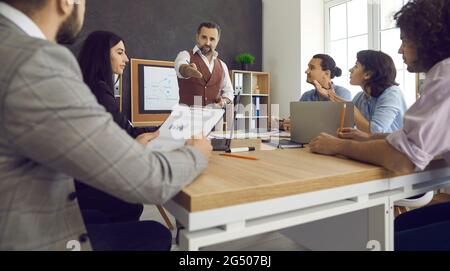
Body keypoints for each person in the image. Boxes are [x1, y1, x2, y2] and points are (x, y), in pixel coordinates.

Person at [0, 0, 212, 251]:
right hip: (35, 235)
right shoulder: (36, 60)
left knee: (121, 208)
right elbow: (148, 180)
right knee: (156, 233)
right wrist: (196, 154)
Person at [309, 0, 450, 251]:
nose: (399, 50)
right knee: (394, 228)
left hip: (408, 180)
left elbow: (401, 160)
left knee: (379, 241)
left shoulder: (445, 75)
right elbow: (414, 138)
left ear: (429, 40)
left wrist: (337, 145)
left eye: (405, 40)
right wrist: (367, 140)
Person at [75, 31, 161, 225]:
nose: (126, 59)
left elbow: (123, 127)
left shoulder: (88, 85)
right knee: (134, 206)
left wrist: (158, 128)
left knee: (133, 204)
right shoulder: (99, 89)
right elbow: (126, 133)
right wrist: (163, 129)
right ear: (103, 55)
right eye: (120, 52)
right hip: (90, 185)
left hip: (80, 178)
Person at [313, 50, 406, 138]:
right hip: (373, 149)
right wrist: (330, 96)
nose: (350, 70)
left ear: (368, 74)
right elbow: (342, 125)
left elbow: (375, 133)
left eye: (356, 66)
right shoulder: (360, 97)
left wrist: (347, 104)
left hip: (394, 151)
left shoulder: (392, 93)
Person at [279, 54, 351, 131]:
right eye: (308, 67)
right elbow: (293, 120)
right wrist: (285, 124)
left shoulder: (342, 93)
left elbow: (339, 125)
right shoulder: (306, 96)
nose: (306, 71)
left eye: (312, 68)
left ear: (326, 73)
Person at [174, 22, 234, 108]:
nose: (208, 42)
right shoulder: (185, 55)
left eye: (212, 39)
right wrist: (188, 70)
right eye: (204, 37)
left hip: (214, 119)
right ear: (197, 37)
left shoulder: (222, 65)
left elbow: (229, 93)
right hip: (188, 118)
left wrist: (223, 101)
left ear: (217, 41)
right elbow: (181, 67)